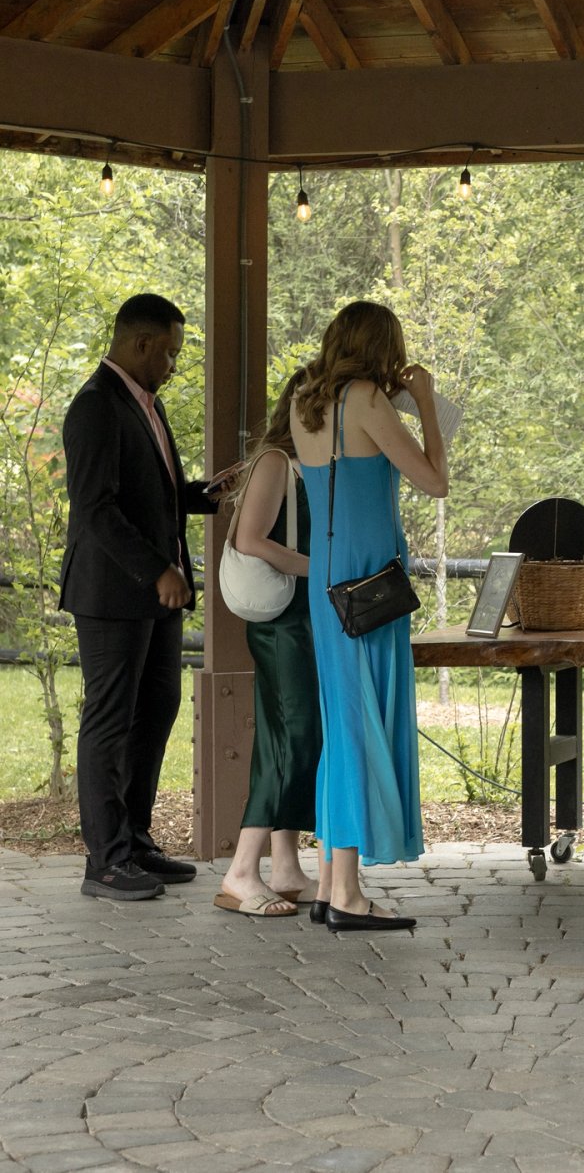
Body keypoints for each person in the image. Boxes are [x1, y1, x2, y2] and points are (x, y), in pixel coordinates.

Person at [61, 293, 226, 900]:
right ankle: (104, 861)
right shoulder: (96, 407)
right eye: (172, 354)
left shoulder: (145, 406)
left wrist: (206, 493)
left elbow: (148, 494)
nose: (174, 366)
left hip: (155, 597)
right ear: (142, 344)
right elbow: (97, 510)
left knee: (156, 711)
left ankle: (135, 841)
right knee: (109, 721)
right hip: (112, 594)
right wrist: (157, 568)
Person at [290, 300, 448, 933]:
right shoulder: (366, 400)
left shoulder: (306, 397)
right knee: (362, 725)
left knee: (342, 725)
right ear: (380, 347)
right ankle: (350, 894)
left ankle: (332, 883)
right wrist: (428, 402)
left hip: (329, 577)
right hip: (372, 580)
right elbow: (435, 480)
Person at [213, 369, 323, 919]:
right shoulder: (276, 462)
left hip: (303, 616)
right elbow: (250, 539)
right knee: (295, 736)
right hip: (283, 620)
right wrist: (321, 568)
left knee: (291, 736)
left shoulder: (313, 465)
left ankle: (283, 864)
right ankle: (240, 871)